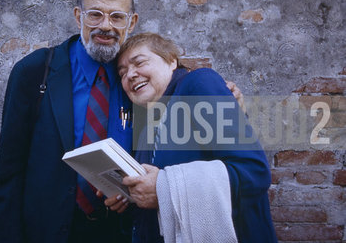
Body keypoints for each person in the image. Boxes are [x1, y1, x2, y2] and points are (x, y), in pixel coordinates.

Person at [0, 0, 245, 243]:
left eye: (117, 17)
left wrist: (226, 98)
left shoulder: (136, 79)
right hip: (46, 232)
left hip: (120, 233)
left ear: (131, 22)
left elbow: (177, 88)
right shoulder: (34, 73)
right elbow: (8, 176)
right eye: (95, 15)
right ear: (79, 17)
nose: (106, 26)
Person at [115, 33, 277, 243]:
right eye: (122, 73)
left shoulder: (199, 83)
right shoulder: (148, 126)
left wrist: (164, 187)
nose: (130, 75)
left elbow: (254, 173)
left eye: (140, 63)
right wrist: (129, 196)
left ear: (171, 61)